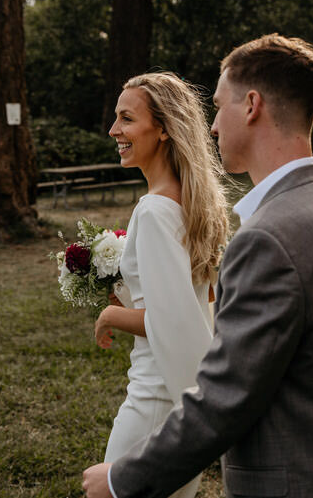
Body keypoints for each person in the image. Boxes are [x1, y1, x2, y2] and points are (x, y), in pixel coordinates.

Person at [83, 34, 313, 498]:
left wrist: (121, 479)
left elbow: (223, 398)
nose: (209, 128)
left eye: (220, 106)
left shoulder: (268, 237)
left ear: (251, 106)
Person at [94, 72, 231, 498]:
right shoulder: (190, 204)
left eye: (126, 119)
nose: (114, 130)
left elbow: (174, 322)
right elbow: (197, 298)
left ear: (165, 129)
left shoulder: (154, 211)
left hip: (155, 402)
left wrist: (112, 313)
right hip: (179, 401)